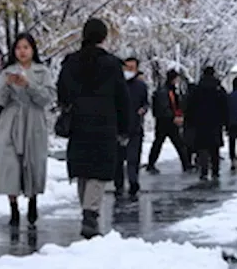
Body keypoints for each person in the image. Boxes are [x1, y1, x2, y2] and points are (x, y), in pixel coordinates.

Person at [56, 18, 130, 239]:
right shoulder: (112, 64)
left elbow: (62, 92)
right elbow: (122, 98)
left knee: (83, 170)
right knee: (98, 171)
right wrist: (124, 127)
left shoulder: (70, 63)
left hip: (79, 123)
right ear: (104, 37)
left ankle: (87, 211)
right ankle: (90, 214)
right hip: (104, 123)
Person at [0, 33, 56, 228]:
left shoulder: (42, 72)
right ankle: (13, 207)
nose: (22, 51)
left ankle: (33, 200)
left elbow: (47, 98)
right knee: (9, 164)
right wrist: (8, 85)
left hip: (34, 119)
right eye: (18, 48)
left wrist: (29, 85)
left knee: (33, 162)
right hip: (11, 121)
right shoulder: (7, 72)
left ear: (33, 49)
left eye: (26, 47)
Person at [185, 66, 229, 180]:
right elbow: (225, 105)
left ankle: (204, 171)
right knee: (214, 147)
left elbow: (189, 105)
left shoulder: (197, 89)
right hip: (215, 122)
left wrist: (190, 121)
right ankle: (215, 170)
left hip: (200, 122)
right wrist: (225, 121)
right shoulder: (219, 89)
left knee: (202, 147)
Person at [114, 57, 149, 196]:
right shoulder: (115, 84)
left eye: (132, 68)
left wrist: (143, 109)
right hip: (117, 127)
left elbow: (146, 103)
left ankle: (133, 182)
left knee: (133, 157)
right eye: (126, 67)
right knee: (118, 159)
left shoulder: (140, 86)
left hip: (135, 127)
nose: (128, 70)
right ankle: (118, 184)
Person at [146, 70, 190, 174]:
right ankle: (186, 164)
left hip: (165, 121)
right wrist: (173, 117)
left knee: (163, 143)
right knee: (175, 143)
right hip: (166, 122)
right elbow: (165, 107)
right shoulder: (165, 92)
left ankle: (151, 163)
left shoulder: (169, 90)